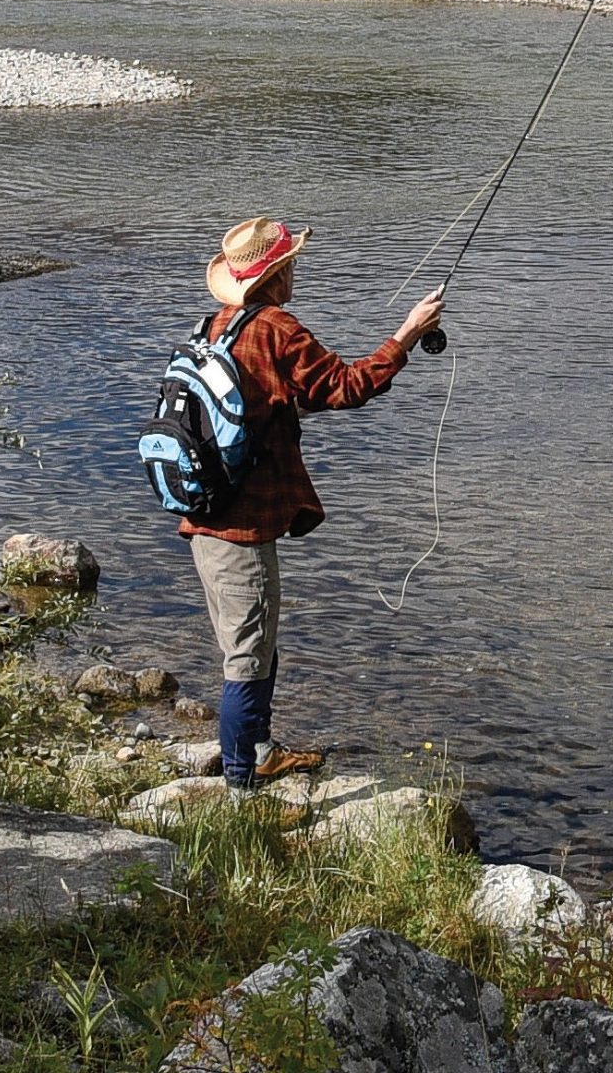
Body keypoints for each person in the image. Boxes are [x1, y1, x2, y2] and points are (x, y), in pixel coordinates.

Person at [181, 215, 445, 793]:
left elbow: (257, 403)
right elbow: (349, 388)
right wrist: (405, 335)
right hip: (239, 528)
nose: (297, 268)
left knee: (256, 642)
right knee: (247, 658)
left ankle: (260, 750)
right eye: (291, 262)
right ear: (277, 274)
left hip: (205, 515)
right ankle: (240, 789)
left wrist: (295, 406)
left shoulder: (214, 324)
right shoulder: (277, 326)